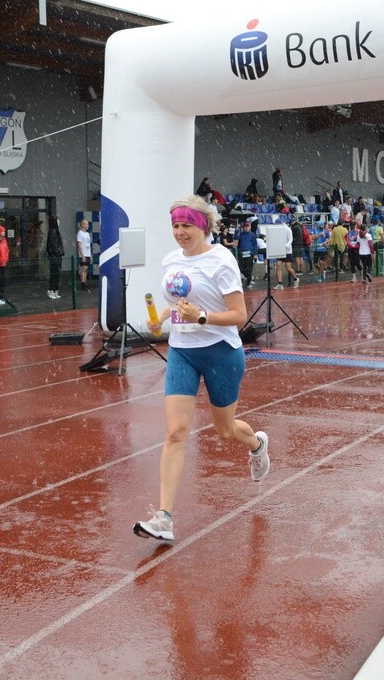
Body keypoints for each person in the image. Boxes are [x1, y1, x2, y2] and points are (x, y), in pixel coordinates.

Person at [134, 195, 270, 545]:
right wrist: (160, 318)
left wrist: (203, 317)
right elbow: (176, 304)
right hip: (182, 352)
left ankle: (256, 444)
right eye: (176, 226)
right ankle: (164, 518)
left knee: (225, 430)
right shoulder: (171, 260)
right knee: (176, 432)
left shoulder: (221, 260)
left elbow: (239, 315)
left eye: (187, 226)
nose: (180, 232)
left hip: (221, 352)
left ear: (203, 227)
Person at [44, 217, 65, 299]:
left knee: (56, 273)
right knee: (55, 273)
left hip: (56, 255)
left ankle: (54, 290)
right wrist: (57, 252)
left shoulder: (54, 231)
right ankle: (52, 290)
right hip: (55, 255)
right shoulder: (53, 231)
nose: (59, 222)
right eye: (57, 220)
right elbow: (53, 244)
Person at [237, 219, 258, 288]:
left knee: (249, 269)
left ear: (250, 227)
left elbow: (255, 245)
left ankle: (248, 283)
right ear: (243, 227)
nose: (246, 228)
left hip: (250, 254)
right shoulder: (240, 234)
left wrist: (255, 254)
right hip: (242, 254)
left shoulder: (252, 235)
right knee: (241, 268)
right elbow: (238, 243)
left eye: (247, 226)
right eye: (245, 226)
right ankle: (250, 278)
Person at [76, 218, 93, 290]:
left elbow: (88, 244)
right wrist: (82, 255)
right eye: (86, 224)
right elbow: (79, 245)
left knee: (86, 269)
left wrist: (90, 255)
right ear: (82, 225)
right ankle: (82, 283)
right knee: (84, 268)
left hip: (88, 253)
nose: (88, 225)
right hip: (83, 254)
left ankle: (84, 282)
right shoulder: (80, 233)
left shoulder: (87, 234)